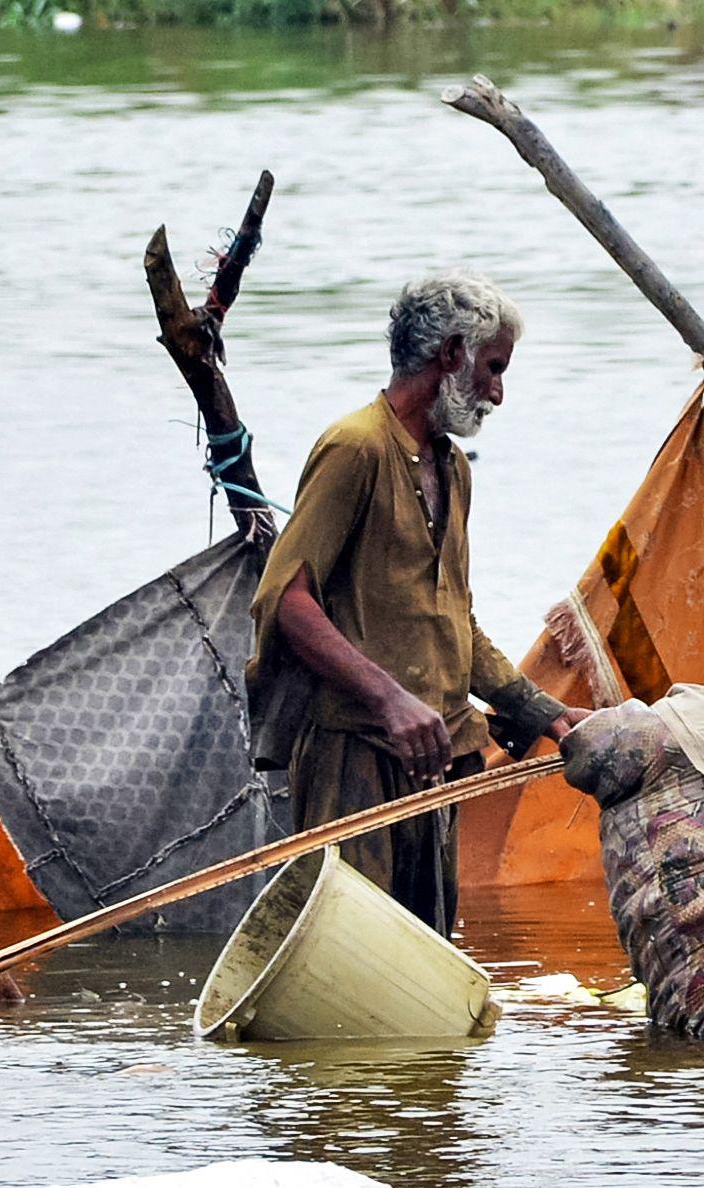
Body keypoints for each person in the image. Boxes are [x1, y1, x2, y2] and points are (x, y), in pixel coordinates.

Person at [246, 271, 586, 936]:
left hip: (439, 756)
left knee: (422, 947)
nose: (496, 392)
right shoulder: (356, 447)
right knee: (352, 950)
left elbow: (453, 620)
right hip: (355, 752)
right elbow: (284, 600)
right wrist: (389, 699)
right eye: (492, 368)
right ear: (451, 354)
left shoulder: (453, 467)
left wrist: (542, 711)